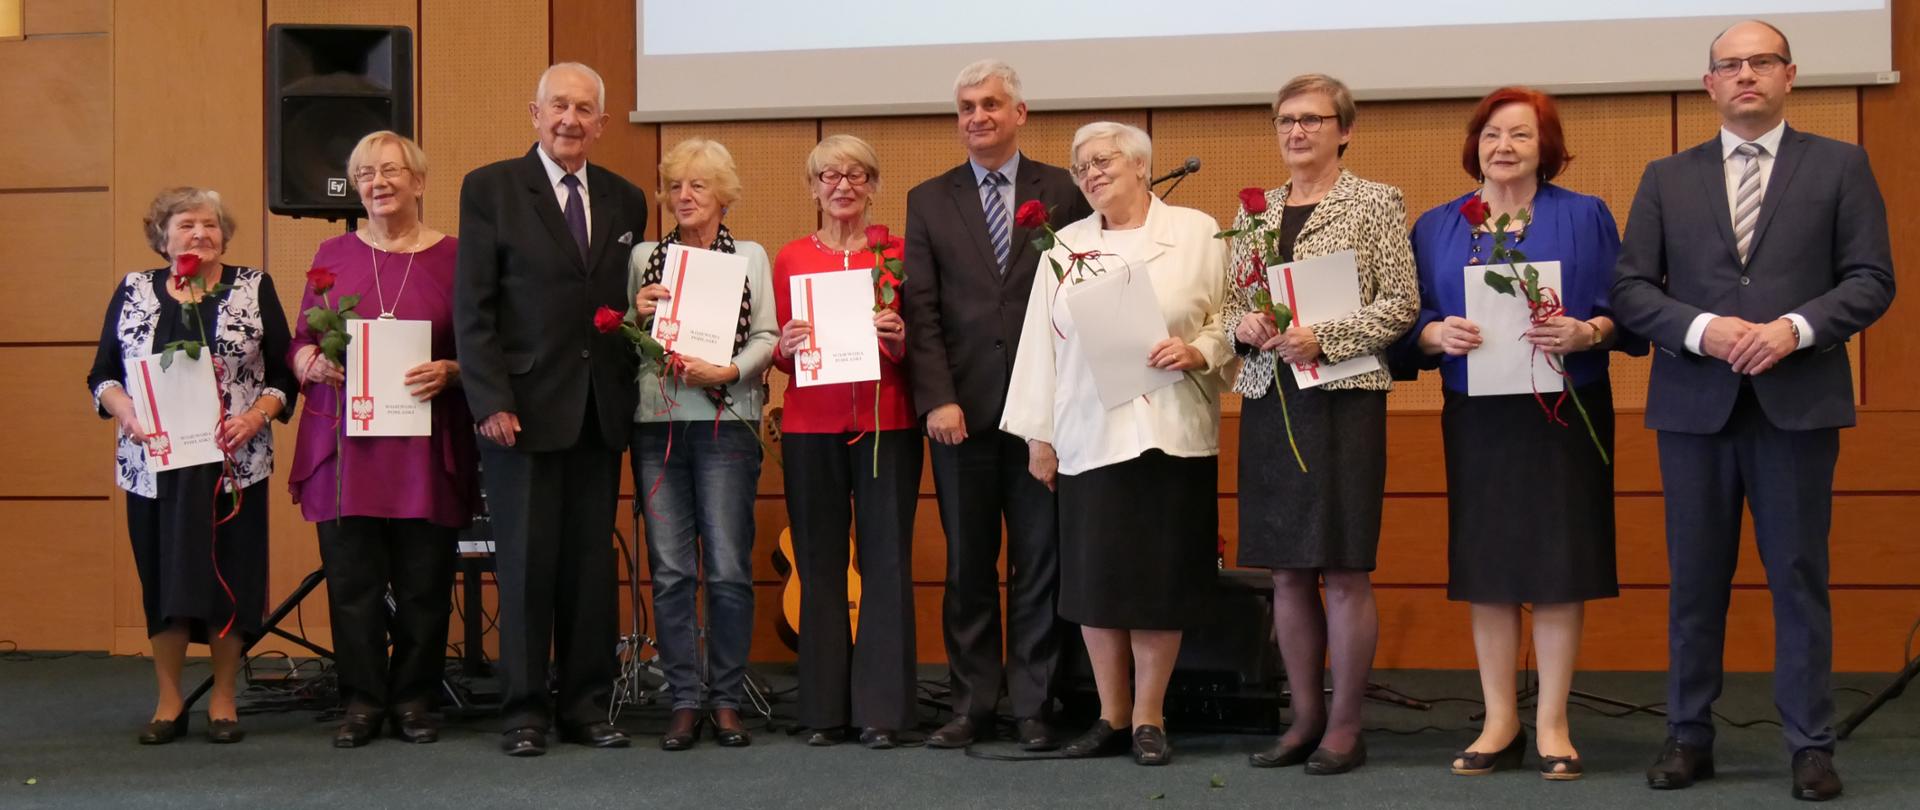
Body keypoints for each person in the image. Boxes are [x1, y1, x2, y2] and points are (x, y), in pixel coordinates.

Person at [1612, 20, 1895, 801]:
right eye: (1730, 65)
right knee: (1694, 581)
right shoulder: (1666, 176)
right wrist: (1703, 328)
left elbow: (1871, 279)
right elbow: (1630, 289)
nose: (1745, 75)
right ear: (1709, 84)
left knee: (1799, 577)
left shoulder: (1840, 165)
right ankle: (1687, 735)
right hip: (1693, 407)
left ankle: (1810, 745)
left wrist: (1792, 329)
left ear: (1789, 75)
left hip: (1796, 404)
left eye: (1761, 62)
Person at [1405, 87, 1644, 780]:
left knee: (1561, 565)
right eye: (1491, 135)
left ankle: (1553, 722)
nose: (1503, 147)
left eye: (1520, 135)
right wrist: (1433, 334)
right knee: (1489, 568)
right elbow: (1407, 317)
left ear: (1547, 149)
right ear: (1474, 146)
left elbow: (1625, 309)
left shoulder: (1584, 215)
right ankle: (1498, 719)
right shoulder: (1438, 225)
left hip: (1566, 410)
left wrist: (1588, 331)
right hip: (1479, 415)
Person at [1002, 121, 1231, 767]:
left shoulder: (1197, 232)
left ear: (1140, 165)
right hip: (1090, 433)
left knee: (1160, 582)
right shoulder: (1064, 245)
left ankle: (1150, 718)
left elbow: (1228, 318)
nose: (1090, 174)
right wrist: (1039, 436)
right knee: (1095, 581)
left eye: (1102, 161)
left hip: (1171, 433)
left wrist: (1199, 350)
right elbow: (1039, 344)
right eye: (1081, 167)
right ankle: (1111, 715)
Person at [1221, 74, 1417, 775]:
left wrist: (1325, 337)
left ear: (1345, 130)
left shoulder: (1375, 201)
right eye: (1286, 120)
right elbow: (1229, 305)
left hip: (1342, 400)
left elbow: (1401, 303)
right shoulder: (1256, 209)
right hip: (1271, 396)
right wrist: (1242, 326)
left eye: (1312, 119)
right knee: (1286, 570)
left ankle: (1345, 725)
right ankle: (1302, 720)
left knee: (1342, 567)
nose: (1297, 131)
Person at [454, 61, 650, 757]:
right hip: (522, 412)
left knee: (590, 570)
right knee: (527, 568)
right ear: (534, 114)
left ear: (602, 122)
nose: (571, 119)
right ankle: (525, 712)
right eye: (558, 106)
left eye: (584, 109)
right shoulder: (490, 188)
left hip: (600, 412)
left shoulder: (627, 199)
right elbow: (473, 306)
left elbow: (624, 303)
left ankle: (586, 707)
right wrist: (489, 400)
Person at [902, 59, 1091, 751]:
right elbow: (921, 309)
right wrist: (937, 399)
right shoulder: (929, 199)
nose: (977, 116)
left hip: (1045, 415)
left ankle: (1035, 704)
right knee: (968, 566)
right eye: (966, 107)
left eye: (990, 104)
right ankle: (973, 703)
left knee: (1041, 563)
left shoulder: (1064, 190)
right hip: (962, 415)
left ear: (1019, 113)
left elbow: (1082, 296)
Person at [286, 131, 477, 748]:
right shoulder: (333, 253)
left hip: (426, 444)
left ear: (418, 182)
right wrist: (310, 361)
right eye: (366, 173)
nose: (378, 182)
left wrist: (453, 371)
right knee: (352, 584)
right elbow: (299, 342)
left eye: (391, 171)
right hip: (348, 446)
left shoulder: (457, 257)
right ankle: (362, 700)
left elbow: (483, 346)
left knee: (425, 583)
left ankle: (416, 698)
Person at [87, 186, 296, 745]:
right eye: (185, 225)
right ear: (163, 238)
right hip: (153, 466)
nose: (199, 234)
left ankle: (224, 698)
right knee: (162, 578)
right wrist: (126, 412)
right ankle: (169, 700)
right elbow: (103, 374)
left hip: (234, 464)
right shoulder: (134, 289)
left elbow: (284, 373)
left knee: (232, 577)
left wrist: (255, 417)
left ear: (223, 235)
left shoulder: (253, 287)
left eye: (209, 224)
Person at [627, 137, 776, 750]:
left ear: (723, 194)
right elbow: (623, 340)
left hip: (727, 423)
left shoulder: (750, 256)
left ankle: (727, 699)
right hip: (657, 425)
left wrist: (730, 370)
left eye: (698, 185)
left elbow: (767, 335)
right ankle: (684, 699)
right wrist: (636, 313)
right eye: (675, 186)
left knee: (728, 570)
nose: (683, 196)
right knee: (669, 572)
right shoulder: (644, 257)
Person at [770, 134, 917, 749]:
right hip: (810, 426)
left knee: (886, 564)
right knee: (819, 565)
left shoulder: (898, 254)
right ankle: (824, 711)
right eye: (829, 176)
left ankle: (882, 713)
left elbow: (922, 344)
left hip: (889, 423)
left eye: (857, 175)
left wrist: (901, 337)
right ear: (813, 188)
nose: (843, 186)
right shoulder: (790, 258)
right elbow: (780, 354)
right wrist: (785, 347)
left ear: (874, 186)